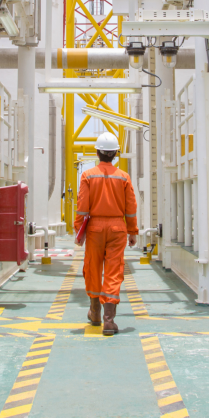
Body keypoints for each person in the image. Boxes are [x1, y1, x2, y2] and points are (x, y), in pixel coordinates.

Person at [74, 131, 138, 335]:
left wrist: (78, 230)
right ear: (116, 153)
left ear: (97, 152)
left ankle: (95, 313)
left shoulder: (87, 175)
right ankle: (109, 320)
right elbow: (130, 207)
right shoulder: (124, 178)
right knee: (113, 271)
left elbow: (82, 207)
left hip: (94, 228)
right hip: (118, 228)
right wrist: (132, 231)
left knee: (92, 268)